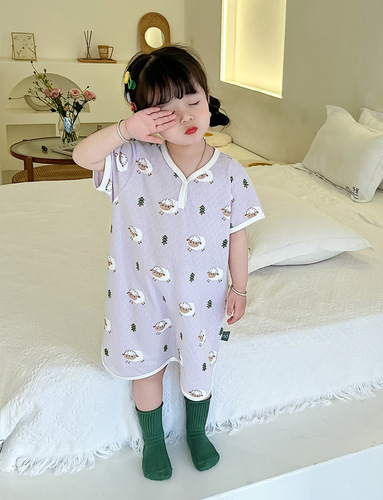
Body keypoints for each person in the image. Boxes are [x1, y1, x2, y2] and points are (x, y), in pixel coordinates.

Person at [73, 45, 264, 481]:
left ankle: (197, 433)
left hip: (202, 295)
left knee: (199, 364)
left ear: (208, 98)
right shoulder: (132, 161)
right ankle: (154, 441)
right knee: (146, 367)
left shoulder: (231, 172)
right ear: (146, 117)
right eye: (166, 112)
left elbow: (238, 236)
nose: (185, 117)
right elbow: (83, 157)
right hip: (139, 294)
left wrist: (239, 287)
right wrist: (127, 130)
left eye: (193, 100)